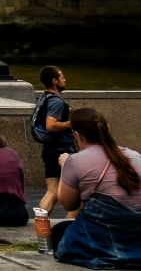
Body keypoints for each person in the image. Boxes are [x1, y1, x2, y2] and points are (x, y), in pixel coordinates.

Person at [52, 106, 141, 267]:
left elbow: (68, 203)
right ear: (107, 129)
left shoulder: (75, 160)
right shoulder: (135, 156)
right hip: (136, 237)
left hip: (105, 237)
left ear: (76, 135)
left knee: (60, 233)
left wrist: (66, 167)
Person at [37, 67, 75, 220]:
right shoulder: (56, 101)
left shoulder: (45, 98)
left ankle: (40, 225)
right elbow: (51, 125)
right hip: (62, 150)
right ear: (54, 81)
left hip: (50, 149)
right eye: (62, 77)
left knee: (52, 191)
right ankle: (67, 228)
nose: (64, 80)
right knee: (78, 192)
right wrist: (71, 123)